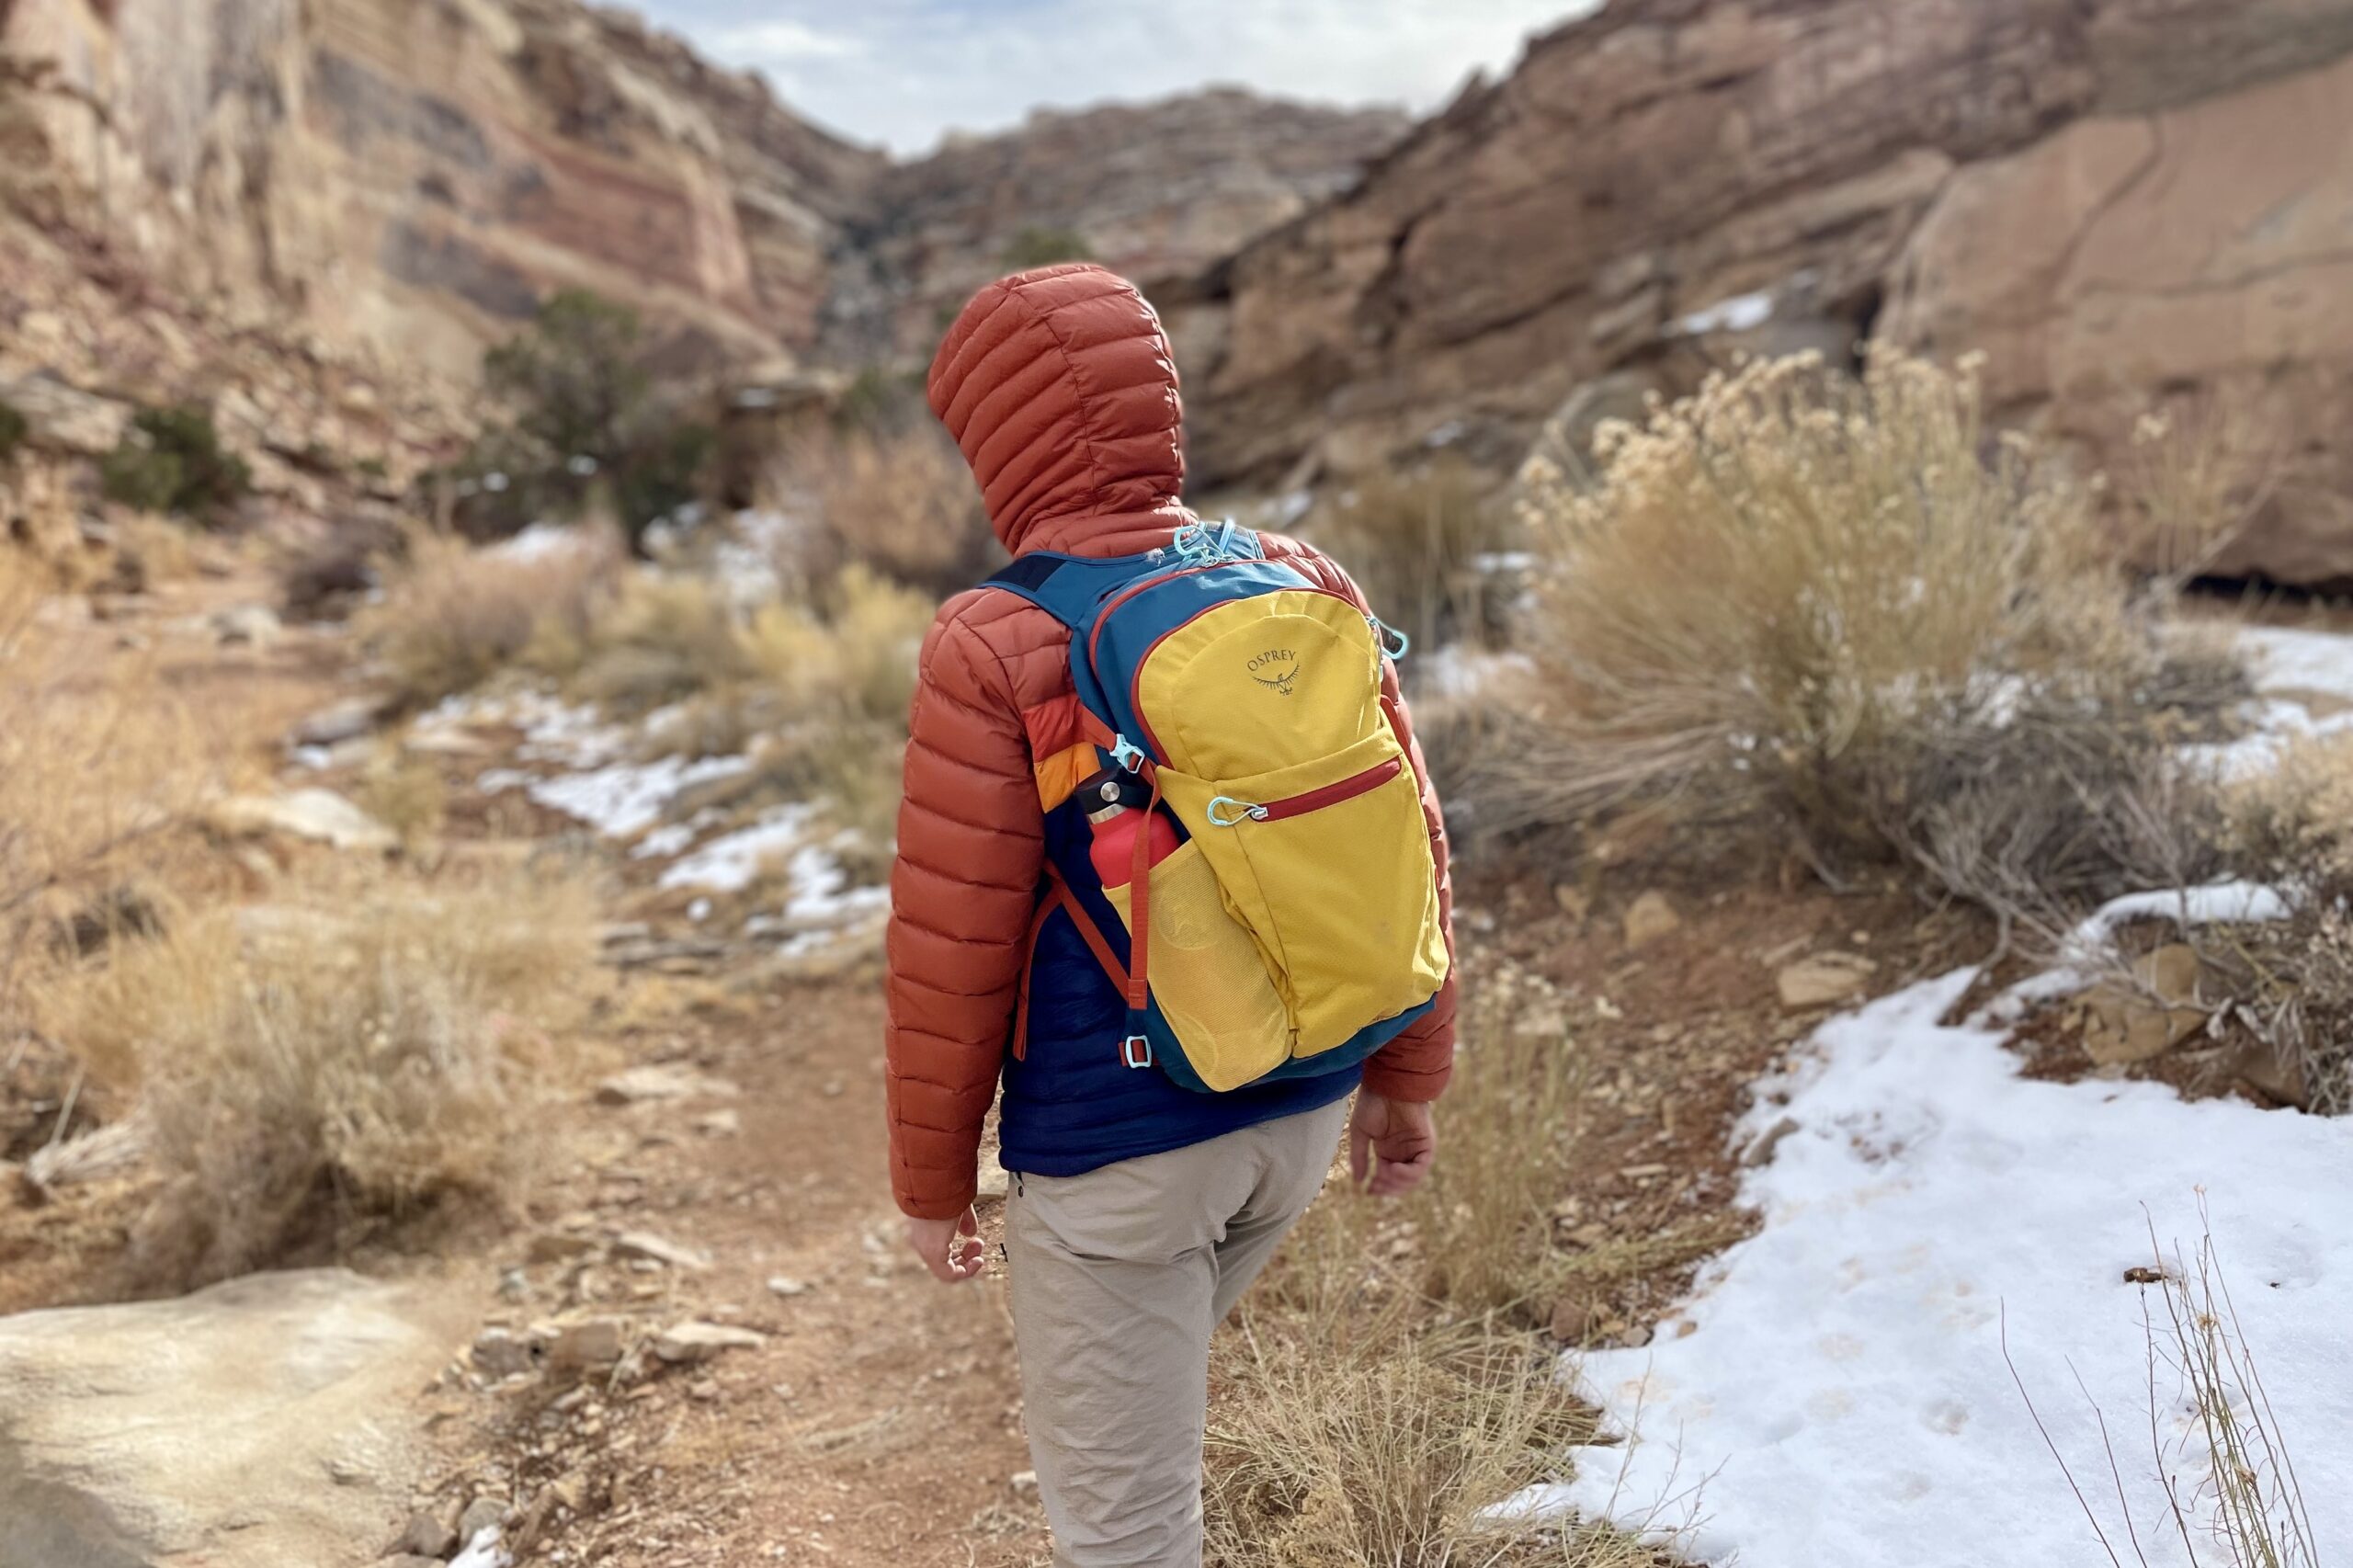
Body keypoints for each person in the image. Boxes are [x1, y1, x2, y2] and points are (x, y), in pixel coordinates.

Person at [883, 261, 1458, 1567]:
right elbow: (1412, 839)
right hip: (1299, 1110)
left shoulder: (994, 637)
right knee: (1147, 1452)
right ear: (1160, 404)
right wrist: (1407, 1077)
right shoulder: (1300, 575)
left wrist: (930, 1183)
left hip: (1121, 1156)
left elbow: (950, 951)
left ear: (995, 441)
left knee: (1130, 1535)